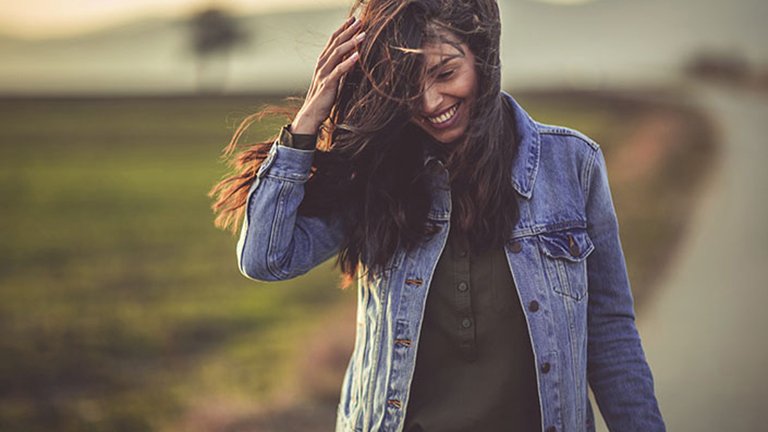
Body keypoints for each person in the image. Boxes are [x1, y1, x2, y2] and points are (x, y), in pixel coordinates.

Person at [209, 0, 666, 431]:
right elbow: (265, 259)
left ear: (483, 56)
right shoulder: (377, 175)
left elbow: (610, 334)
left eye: (446, 72)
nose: (429, 103)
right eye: (406, 87)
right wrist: (310, 117)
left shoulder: (571, 164)